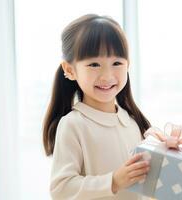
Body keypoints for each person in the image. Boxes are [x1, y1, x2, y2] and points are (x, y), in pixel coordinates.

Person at [42, 14, 151, 200]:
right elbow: (61, 189)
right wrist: (113, 181)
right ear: (69, 70)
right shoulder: (73, 124)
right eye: (94, 64)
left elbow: (144, 184)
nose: (107, 75)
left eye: (117, 63)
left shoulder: (131, 121)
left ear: (128, 65)